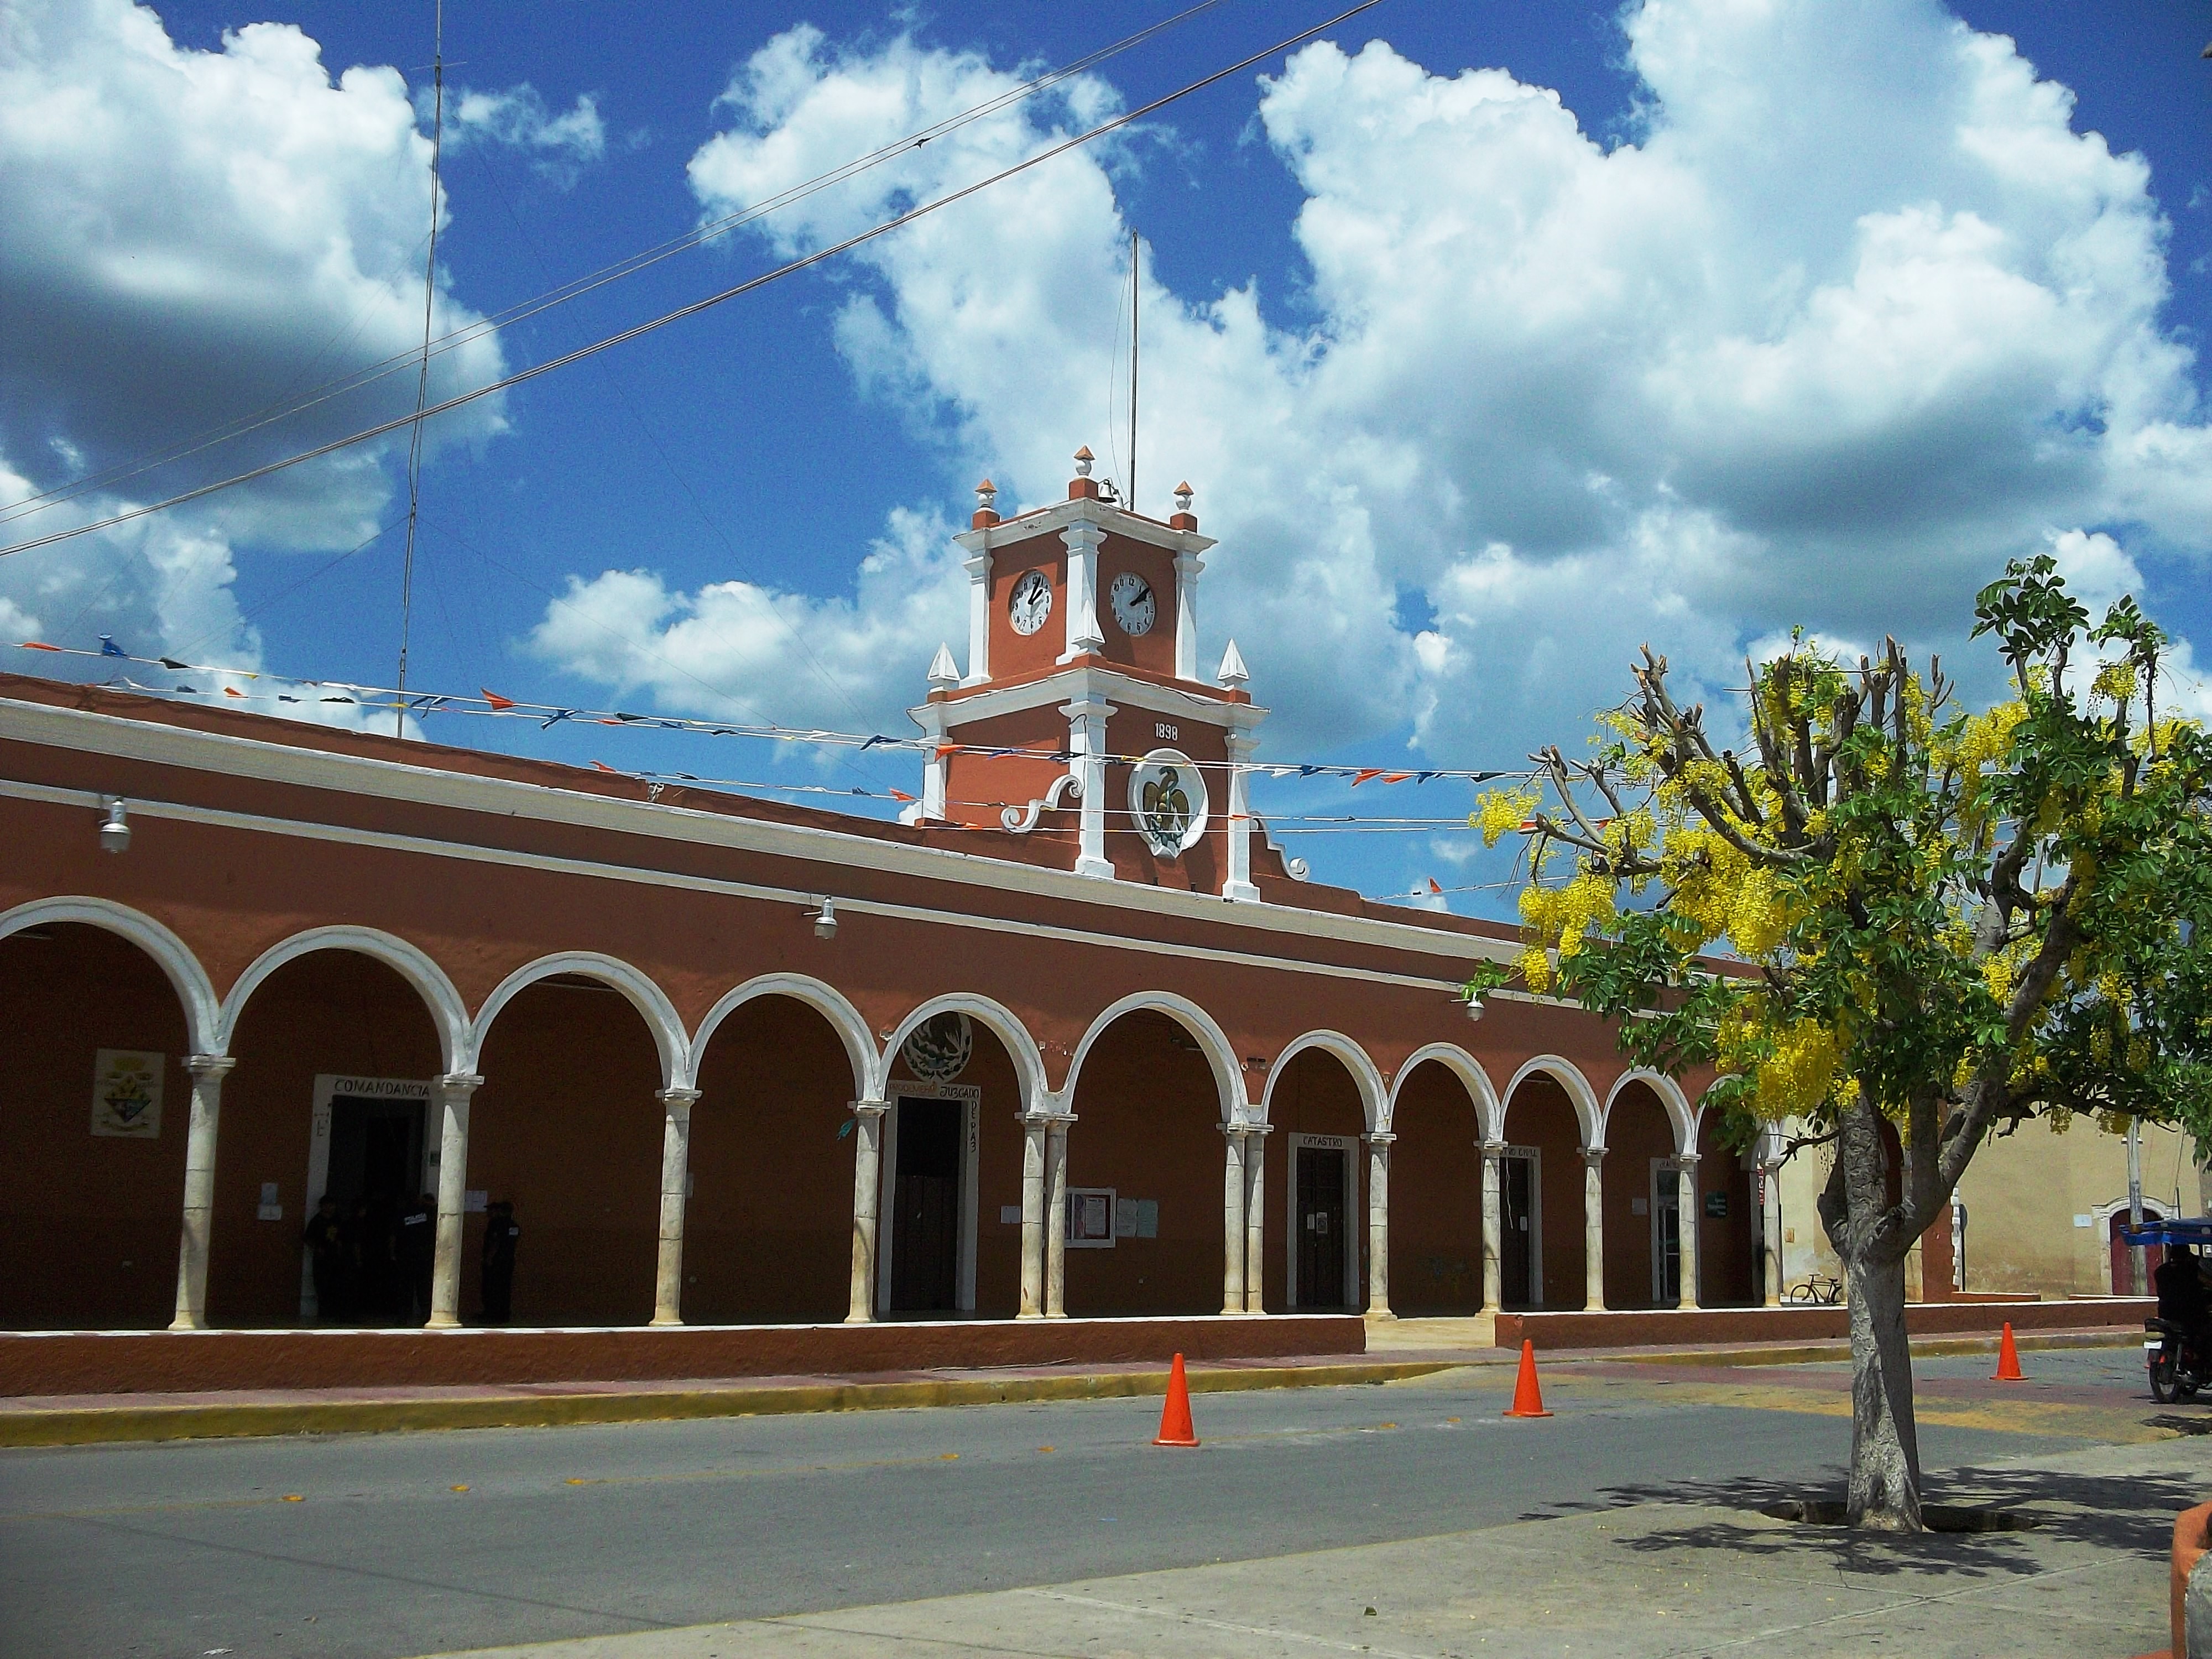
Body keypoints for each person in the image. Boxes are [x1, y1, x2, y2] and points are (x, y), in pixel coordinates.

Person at [2155, 1240, 2210, 1354]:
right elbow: (2209, 1282)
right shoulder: (2192, 1270)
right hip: (2190, 1313)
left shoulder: (2161, 1271)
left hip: (2165, 1311)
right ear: (2188, 1255)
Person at [302, 1196, 346, 1324]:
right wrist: (317, 1248)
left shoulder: (338, 1220)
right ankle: (324, 1313)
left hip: (335, 1258)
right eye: (328, 1205)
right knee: (322, 1285)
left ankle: (335, 1313)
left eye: (333, 1205)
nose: (331, 1208)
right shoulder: (316, 1221)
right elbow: (308, 1238)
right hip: (321, 1259)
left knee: (336, 1285)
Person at [396, 1191, 435, 1324]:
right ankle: (424, 1315)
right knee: (422, 1288)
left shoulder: (403, 1213)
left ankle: (405, 1316)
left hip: (409, 1256)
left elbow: (394, 1235)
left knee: (408, 1288)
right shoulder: (428, 1213)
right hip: (420, 1256)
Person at [480, 1199, 519, 1324]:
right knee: (505, 1288)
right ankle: (504, 1314)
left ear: (499, 1211)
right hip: (509, 1261)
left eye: (491, 1210)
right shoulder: (514, 1226)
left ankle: (492, 1314)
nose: (488, 1212)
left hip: (496, 1262)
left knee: (492, 1288)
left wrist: (489, 1259)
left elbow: (495, 1242)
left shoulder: (496, 1224)